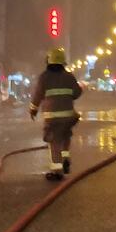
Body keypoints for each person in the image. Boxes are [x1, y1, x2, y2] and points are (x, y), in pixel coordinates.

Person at [29, 46, 82, 181]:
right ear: (63, 63)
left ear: (49, 61)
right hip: (68, 117)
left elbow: (38, 95)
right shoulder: (69, 76)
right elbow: (76, 93)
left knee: (54, 142)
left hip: (52, 118)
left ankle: (57, 170)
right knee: (65, 137)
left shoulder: (44, 77)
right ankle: (65, 159)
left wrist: (33, 110)